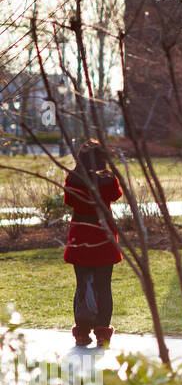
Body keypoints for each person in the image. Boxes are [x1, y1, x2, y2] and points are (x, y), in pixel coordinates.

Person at [63, 139, 123, 348]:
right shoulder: (107, 177)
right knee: (104, 285)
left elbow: (69, 201)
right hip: (102, 233)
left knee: (82, 285)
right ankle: (102, 334)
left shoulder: (73, 176)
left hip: (81, 233)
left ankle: (81, 333)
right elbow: (116, 196)